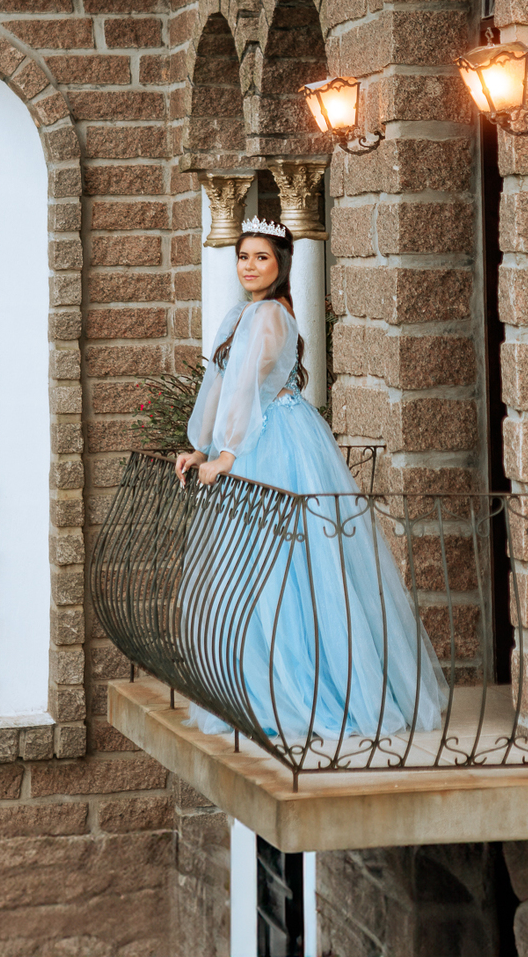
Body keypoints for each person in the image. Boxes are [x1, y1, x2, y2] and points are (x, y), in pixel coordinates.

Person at [175, 217, 446, 751]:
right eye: (243, 257)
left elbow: (250, 388)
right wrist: (201, 447)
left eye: (261, 258)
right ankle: (256, 688)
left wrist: (227, 454)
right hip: (247, 441)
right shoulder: (242, 313)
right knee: (251, 571)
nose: (249, 266)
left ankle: (302, 692)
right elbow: (220, 386)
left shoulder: (273, 315)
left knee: (288, 568)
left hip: (275, 441)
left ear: (281, 266)